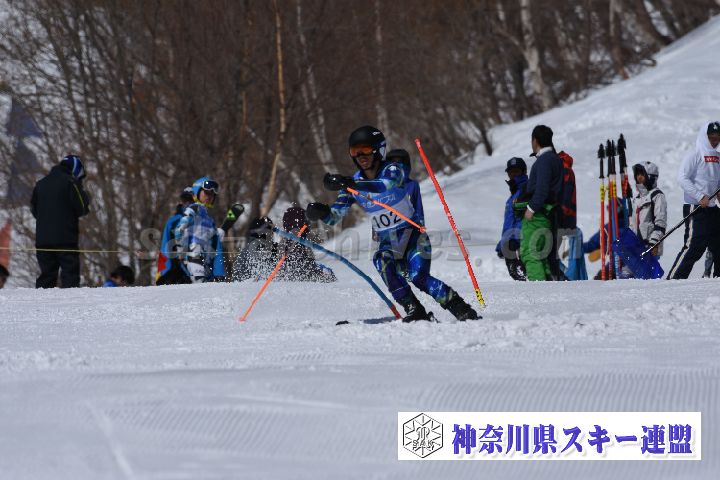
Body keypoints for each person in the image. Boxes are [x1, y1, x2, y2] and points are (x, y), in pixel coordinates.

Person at [306, 125, 479, 322]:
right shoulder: (352, 184)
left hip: (413, 237)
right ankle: (414, 310)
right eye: (355, 151)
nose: (361, 156)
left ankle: (462, 309)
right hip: (388, 242)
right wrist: (320, 212)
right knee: (381, 261)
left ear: (378, 150)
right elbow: (334, 217)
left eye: (365, 150)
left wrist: (350, 183)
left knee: (419, 278)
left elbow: (383, 185)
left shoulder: (393, 170)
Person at [667, 121, 720, 279]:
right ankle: (674, 280)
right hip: (695, 207)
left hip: (712, 208)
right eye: (711, 138)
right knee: (694, 246)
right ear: (704, 136)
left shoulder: (718, 157)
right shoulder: (695, 155)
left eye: (718, 138)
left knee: (718, 245)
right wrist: (699, 196)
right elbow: (682, 178)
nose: (715, 141)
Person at [30, 154, 91, 288]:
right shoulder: (71, 182)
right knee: (70, 275)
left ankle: (40, 301)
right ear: (76, 170)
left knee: (46, 276)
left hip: (43, 240)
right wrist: (85, 195)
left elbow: (34, 210)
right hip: (65, 239)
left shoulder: (40, 184)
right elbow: (82, 208)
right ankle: (69, 301)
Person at [516, 125, 563, 281]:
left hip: (538, 215)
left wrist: (531, 209)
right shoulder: (555, 159)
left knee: (530, 253)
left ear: (535, 141)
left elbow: (542, 189)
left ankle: (539, 290)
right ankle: (547, 287)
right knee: (542, 256)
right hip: (549, 214)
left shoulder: (544, 160)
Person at [174, 176, 226, 283]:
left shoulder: (209, 219)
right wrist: (180, 251)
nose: (209, 196)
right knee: (200, 288)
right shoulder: (194, 209)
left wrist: (219, 272)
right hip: (194, 257)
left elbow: (216, 248)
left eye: (212, 194)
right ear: (196, 193)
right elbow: (179, 229)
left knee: (208, 290)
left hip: (207, 262)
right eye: (206, 192)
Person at [276, 206, 336, 282]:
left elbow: (280, 259)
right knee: (328, 274)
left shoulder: (286, 237)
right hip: (304, 272)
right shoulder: (302, 237)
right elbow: (309, 262)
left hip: (290, 272)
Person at [496, 157, 528, 281]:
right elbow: (510, 223)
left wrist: (513, 240)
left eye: (516, 171)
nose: (513, 175)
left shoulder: (526, 190)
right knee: (518, 275)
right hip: (512, 242)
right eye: (510, 172)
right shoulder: (513, 196)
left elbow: (524, 219)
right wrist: (503, 243)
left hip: (524, 242)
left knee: (525, 276)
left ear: (524, 172)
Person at [156, 187, 194, 285]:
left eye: (192, 200)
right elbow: (165, 246)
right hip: (179, 270)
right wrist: (164, 271)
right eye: (185, 200)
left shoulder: (204, 221)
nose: (188, 203)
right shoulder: (174, 221)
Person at [631, 161, 667, 257]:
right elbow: (632, 224)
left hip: (650, 246)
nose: (639, 177)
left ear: (651, 177)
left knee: (649, 267)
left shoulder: (657, 196)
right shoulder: (636, 199)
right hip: (636, 247)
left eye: (642, 174)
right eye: (637, 174)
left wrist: (654, 242)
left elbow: (660, 222)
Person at [233, 216, 280, 281]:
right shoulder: (260, 248)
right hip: (257, 285)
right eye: (271, 230)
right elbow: (265, 276)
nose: (272, 234)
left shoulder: (246, 250)